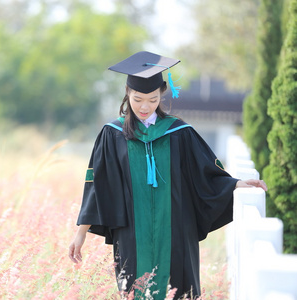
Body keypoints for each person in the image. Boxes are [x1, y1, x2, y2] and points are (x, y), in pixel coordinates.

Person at [68, 51, 268, 300]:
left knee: (178, 291)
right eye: (137, 98)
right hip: (132, 233)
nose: (144, 106)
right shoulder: (112, 134)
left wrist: (236, 183)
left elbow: (206, 172)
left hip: (176, 232)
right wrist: (81, 232)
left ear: (161, 94)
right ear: (127, 94)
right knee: (135, 291)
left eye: (152, 100)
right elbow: (99, 186)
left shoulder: (179, 132)